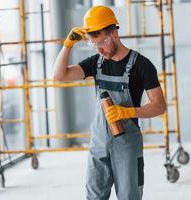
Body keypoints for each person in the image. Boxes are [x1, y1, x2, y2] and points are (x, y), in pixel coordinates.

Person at [53, 5, 166, 200]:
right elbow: (59, 75)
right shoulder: (96, 63)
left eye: (102, 42)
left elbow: (160, 106)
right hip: (98, 142)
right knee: (94, 196)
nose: (100, 49)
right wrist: (68, 45)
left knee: (129, 196)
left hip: (126, 145)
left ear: (114, 33)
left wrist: (127, 112)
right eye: (94, 45)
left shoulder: (142, 65)